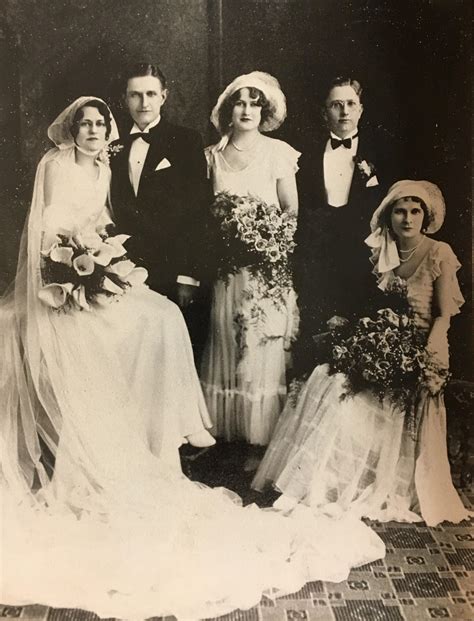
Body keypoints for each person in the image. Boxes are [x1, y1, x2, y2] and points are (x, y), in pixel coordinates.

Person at [0, 96, 386, 620]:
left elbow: (106, 223)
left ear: (106, 130)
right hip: (61, 278)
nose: (92, 130)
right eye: (84, 124)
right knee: (121, 325)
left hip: (93, 268)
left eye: (98, 123)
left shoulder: (104, 164)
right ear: (71, 129)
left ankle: (171, 429)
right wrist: (74, 275)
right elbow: (44, 233)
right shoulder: (54, 164)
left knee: (161, 316)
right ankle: (124, 436)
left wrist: (107, 264)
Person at [253, 180, 471, 527]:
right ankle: (315, 483)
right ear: (389, 216)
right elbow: (376, 306)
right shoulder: (384, 251)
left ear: (425, 216)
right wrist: (365, 336)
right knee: (327, 379)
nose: (408, 218)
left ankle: (338, 482)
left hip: (419, 348)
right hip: (385, 341)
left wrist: (429, 354)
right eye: (400, 211)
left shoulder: (438, 252)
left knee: (349, 402)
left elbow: (444, 316)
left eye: (415, 211)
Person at [200, 72, 300, 464]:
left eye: (254, 103)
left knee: (261, 345)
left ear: (265, 110)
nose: (247, 110)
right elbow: (205, 215)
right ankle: (228, 437)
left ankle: (260, 440)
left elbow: (291, 210)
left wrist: (270, 240)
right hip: (227, 270)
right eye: (239, 102)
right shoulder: (212, 156)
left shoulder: (279, 152)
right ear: (228, 111)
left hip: (266, 268)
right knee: (226, 340)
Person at [294, 76, 403, 374]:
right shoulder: (306, 155)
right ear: (324, 112)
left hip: (362, 257)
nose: (344, 111)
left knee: (359, 338)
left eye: (350, 104)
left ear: (361, 110)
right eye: (336, 105)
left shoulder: (380, 153)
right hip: (319, 257)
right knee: (318, 341)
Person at [109, 62, 212, 364]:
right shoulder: (112, 147)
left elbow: (198, 212)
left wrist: (188, 275)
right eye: (135, 95)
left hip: (173, 267)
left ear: (164, 97)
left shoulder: (186, 141)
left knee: (172, 360)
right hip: (126, 271)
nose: (143, 103)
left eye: (150, 94)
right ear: (125, 99)